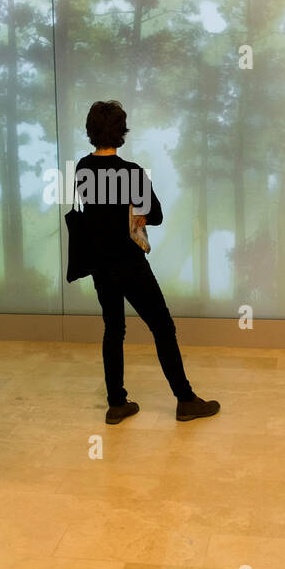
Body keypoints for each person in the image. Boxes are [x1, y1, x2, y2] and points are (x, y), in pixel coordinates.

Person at [75, 101, 220, 424]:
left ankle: (116, 404)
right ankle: (185, 400)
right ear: (121, 131)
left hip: (99, 265)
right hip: (129, 263)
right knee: (162, 327)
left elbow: (96, 212)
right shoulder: (130, 172)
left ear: (91, 131)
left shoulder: (82, 168)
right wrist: (137, 212)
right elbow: (155, 214)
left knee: (113, 329)